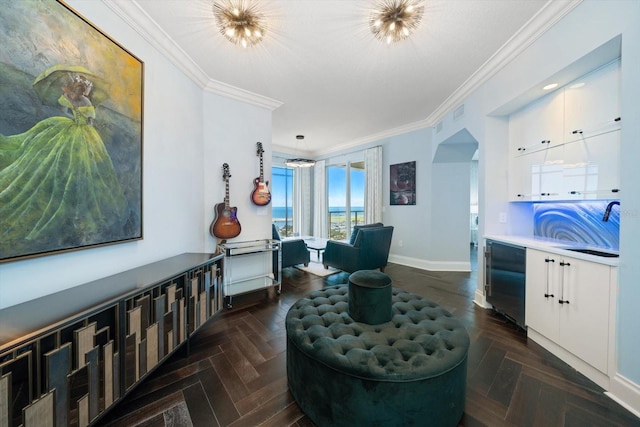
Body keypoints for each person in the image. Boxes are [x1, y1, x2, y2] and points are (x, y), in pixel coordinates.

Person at [0, 71, 126, 259]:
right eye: (86, 87)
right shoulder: (87, 103)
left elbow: (63, 111)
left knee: (48, 156)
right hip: (83, 134)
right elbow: (90, 123)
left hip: (67, 127)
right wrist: (83, 117)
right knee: (83, 166)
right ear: (85, 89)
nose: (86, 89)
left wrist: (71, 107)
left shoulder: (69, 97)